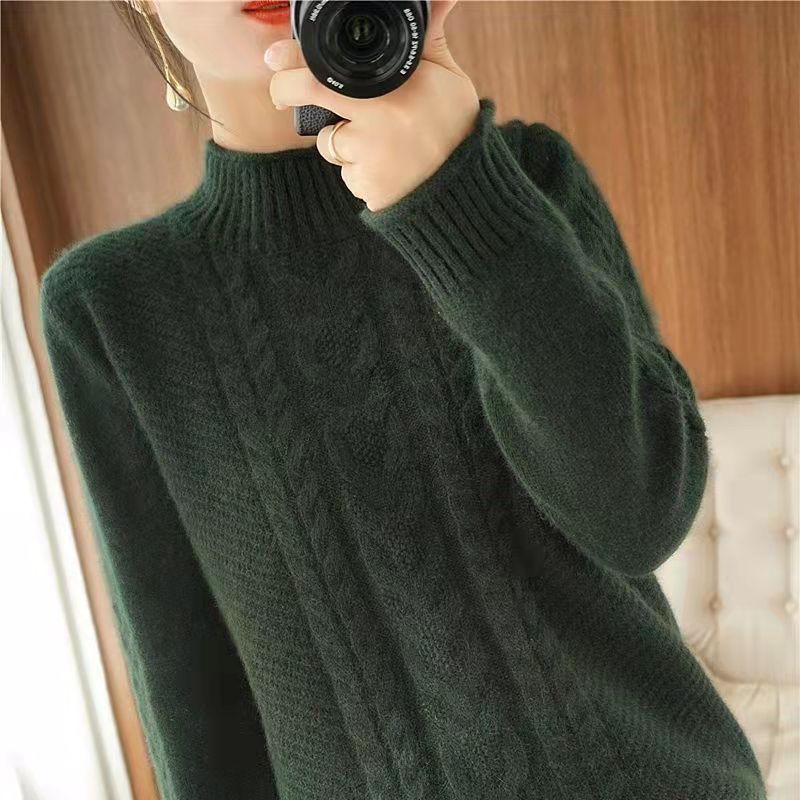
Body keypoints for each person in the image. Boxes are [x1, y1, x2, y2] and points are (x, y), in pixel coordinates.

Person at [38, 1, 767, 799]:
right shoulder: (111, 308)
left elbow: (641, 516)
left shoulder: (524, 180)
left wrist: (459, 198)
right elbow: (195, 704)